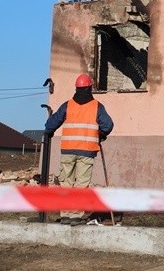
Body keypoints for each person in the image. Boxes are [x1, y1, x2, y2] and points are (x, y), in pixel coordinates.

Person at [44, 73, 114, 226]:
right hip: (87, 151)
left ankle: (65, 215)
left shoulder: (67, 105)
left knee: (66, 183)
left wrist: (49, 131)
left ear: (76, 88)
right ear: (90, 88)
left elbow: (52, 123)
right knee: (81, 184)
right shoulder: (97, 106)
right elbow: (108, 125)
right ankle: (75, 215)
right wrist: (100, 134)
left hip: (68, 151)